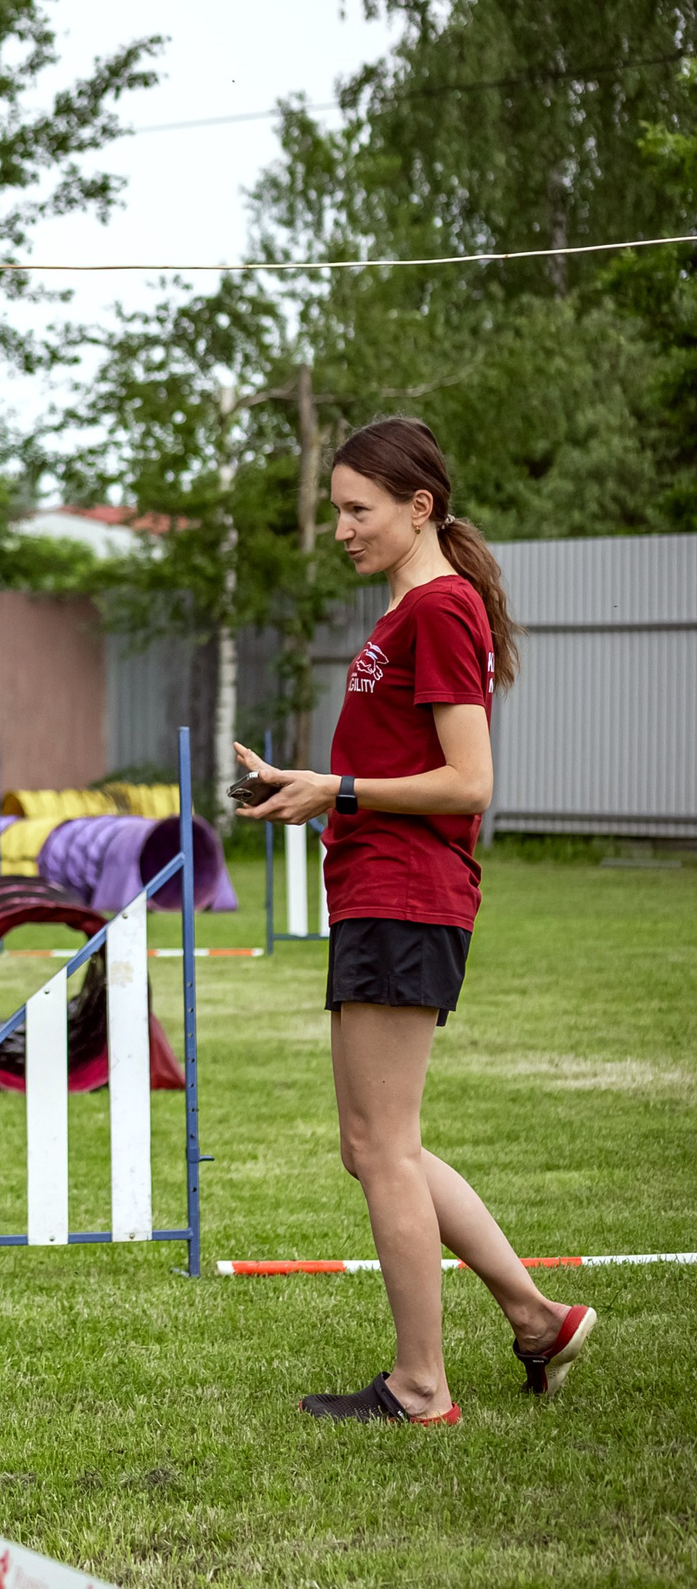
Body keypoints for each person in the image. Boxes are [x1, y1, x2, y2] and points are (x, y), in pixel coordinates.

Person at [236, 416, 593, 1426]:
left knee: (382, 1144)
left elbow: (466, 780)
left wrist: (333, 789)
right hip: (380, 891)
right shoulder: (412, 607)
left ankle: (422, 1385)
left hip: (405, 893)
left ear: (417, 506)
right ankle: (532, 1314)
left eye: (358, 509)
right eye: (335, 508)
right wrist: (300, 784)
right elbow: (396, 761)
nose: (340, 527)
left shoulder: (437, 608)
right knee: (373, 1143)